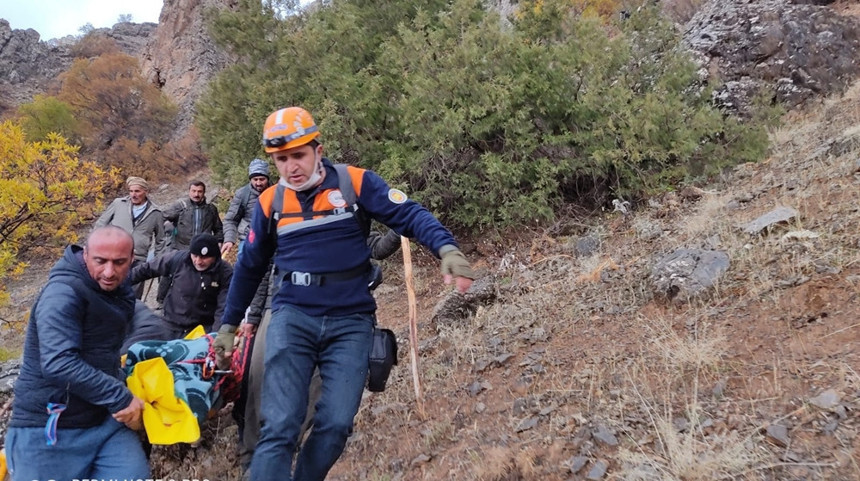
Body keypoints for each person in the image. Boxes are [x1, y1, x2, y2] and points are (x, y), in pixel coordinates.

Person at [214, 106, 474, 481]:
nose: (291, 167)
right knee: (280, 426)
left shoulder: (356, 183)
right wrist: (228, 325)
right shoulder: (270, 203)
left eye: (298, 155)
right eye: (281, 159)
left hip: (351, 322)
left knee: (336, 425)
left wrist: (446, 249)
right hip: (293, 318)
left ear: (318, 150)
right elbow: (249, 267)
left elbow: (410, 215)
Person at [5, 226, 149, 481]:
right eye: (100, 261)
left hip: (103, 422)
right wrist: (120, 396)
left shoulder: (119, 288)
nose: (109, 271)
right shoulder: (62, 294)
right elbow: (58, 362)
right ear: (86, 255)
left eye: (119, 262)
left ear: (132, 258)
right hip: (50, 425)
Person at [122, 233, 233, 351]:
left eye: (204, 258)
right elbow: (145, 270)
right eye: (195, 256)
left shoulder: (225, 273)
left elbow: (223, 307)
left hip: (200, 330)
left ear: (215, 256)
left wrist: (214, 336)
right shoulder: (178, 259)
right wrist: (119, 284)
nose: (198, 261)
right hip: (169, 324)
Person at [94, 176, 165, 299]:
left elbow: (161, 240)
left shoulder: (156, 213)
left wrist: (157, 262)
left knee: (133, 296)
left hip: (139, 260)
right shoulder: (118, 204)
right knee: (109, 291)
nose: (133, 194)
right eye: (131, 191)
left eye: (137, 191)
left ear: (145, 191)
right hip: (114, 256)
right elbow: (100, 225)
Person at [221, 158, 272, 327]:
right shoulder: (242, 194)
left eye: (262, 179)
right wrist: (229, 239)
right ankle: (240, 315)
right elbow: (230, 220)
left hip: (272, 241)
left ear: (267, 178)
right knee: (244, 277)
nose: (258, 183)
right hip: (247, 241)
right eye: (255, 179)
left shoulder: (276, 192)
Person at [156, 180, 224, 307]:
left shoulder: (211, 209)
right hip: (181, 246)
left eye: (199, 191)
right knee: (170, 272)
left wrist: (219, 241)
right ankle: (161, 301)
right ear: (189, 191)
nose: (196, 194)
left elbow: (218, 228)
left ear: (204, 193)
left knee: (200, 277)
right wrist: (168, 226)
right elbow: (162, 217)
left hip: (201, 251)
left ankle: (196, 304)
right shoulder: (181, 206)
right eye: (194, 191)